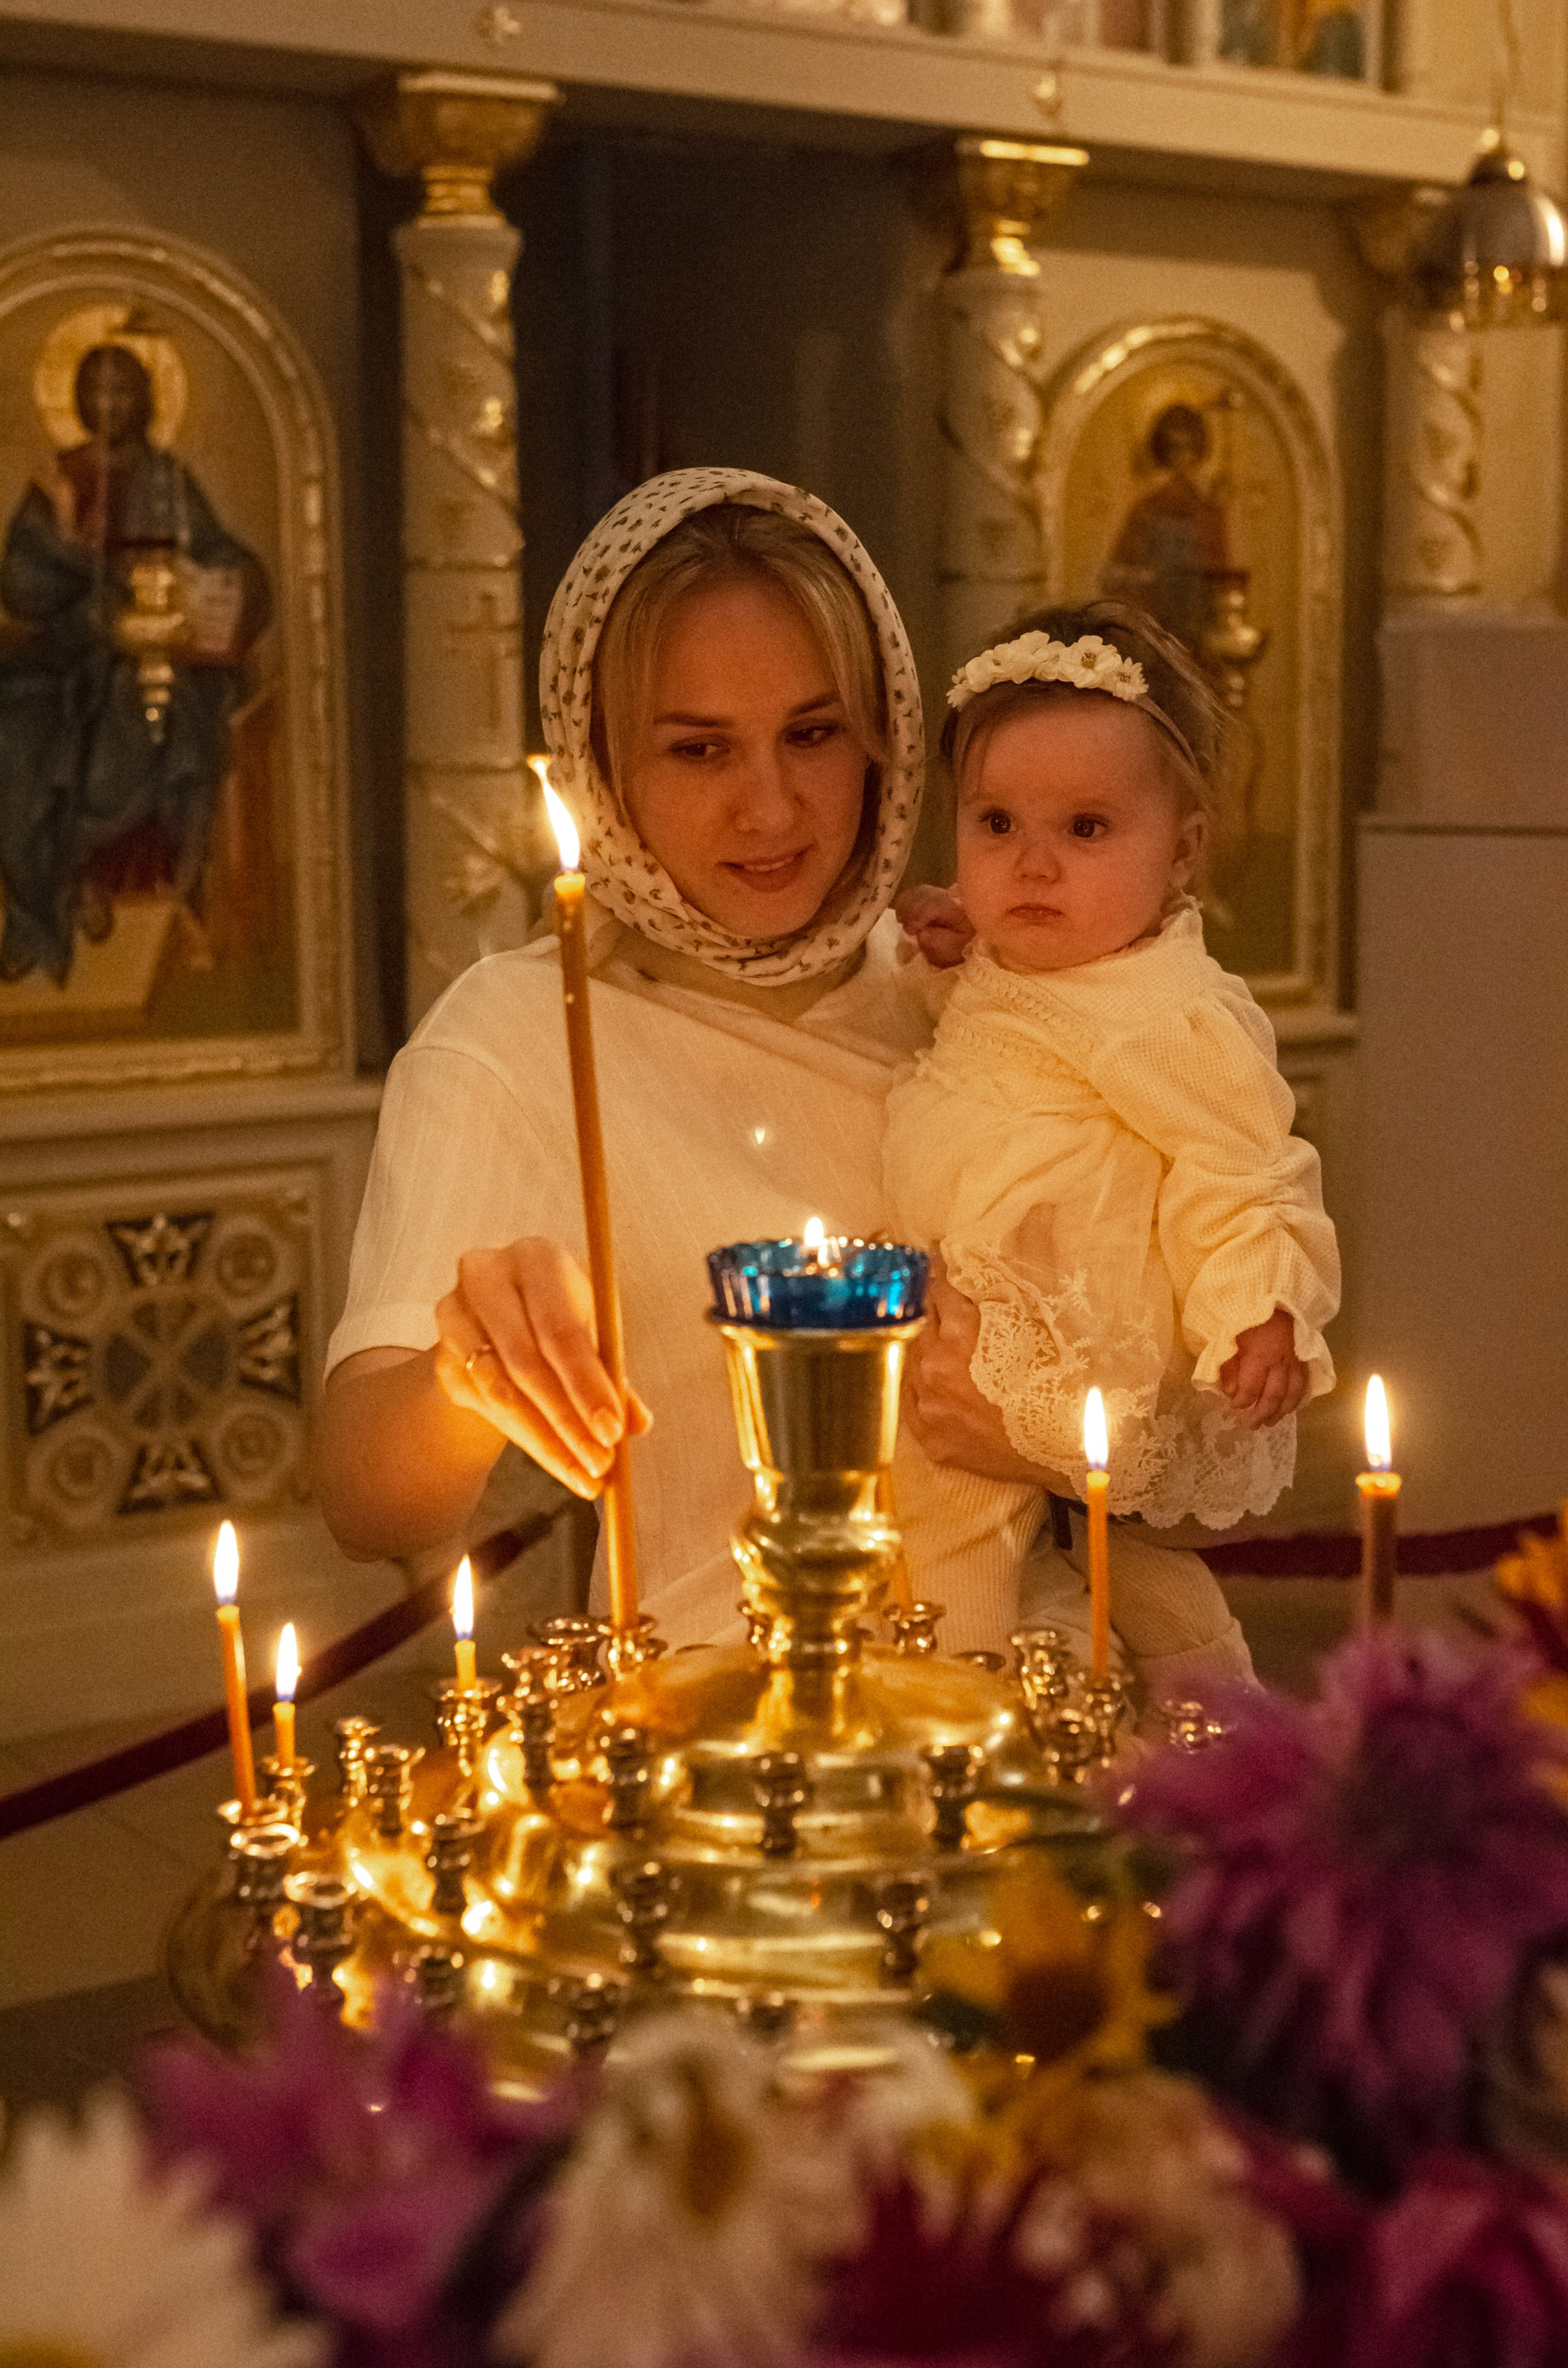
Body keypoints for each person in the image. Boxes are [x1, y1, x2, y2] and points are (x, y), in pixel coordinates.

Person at [319, 467, 1042, 1644]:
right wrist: (463, 1372)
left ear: (883, 735)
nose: (772, 809)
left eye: (813, 733)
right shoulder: (520, 1036)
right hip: (718, 1715)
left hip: (1026, 1691)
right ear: (604, 764)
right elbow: (367, 1501)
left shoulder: (969, 988)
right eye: (700, 751)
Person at [886, 602, 1340, 1700]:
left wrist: (1260, 1304)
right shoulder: (1033, 964)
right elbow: (1005, 1061)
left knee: (952, 1555)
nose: (1033, 865)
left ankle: (965, 1716)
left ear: (1181, 850)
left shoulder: (1167, 1010)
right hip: (980, 1318)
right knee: (1078, 1555)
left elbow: (1245, 1170)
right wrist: (951, 963)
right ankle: (1199, 1682)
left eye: (1086, 829)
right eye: (997, 824)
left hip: (1056, 1330)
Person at [0, 341, 270, 984]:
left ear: (145, 400)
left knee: (147, 709)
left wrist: (222, 584)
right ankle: (40, 910)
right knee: (18, 730)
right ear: (77, 400)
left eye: (122, 391)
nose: (110, 404)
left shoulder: (168, 480)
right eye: (97, 390)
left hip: (150, 654)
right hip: (63, 657)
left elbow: (221, 558)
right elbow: (19, 583)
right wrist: (70, 553)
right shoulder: (56, 480)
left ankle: (119, 878)